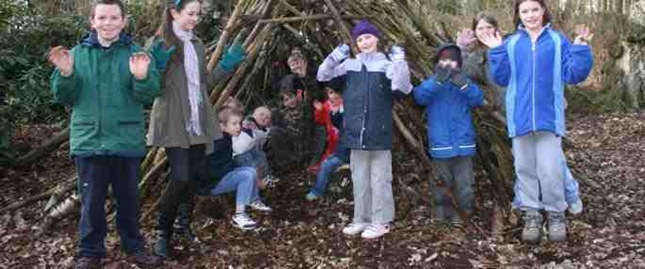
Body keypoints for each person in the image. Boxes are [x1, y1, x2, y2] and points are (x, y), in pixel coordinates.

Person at [48, 0, 162, 268]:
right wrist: (66, 73)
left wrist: (142, 77)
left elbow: (150, 94)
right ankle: (90, 251)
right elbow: (63, 96)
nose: (107, 23)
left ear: (124, 21)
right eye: (102, 18)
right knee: (92, 202)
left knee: (129, 200)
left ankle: (134, 246)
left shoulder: (137, 54)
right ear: (92, 21)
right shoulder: (76, 54)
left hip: (126, 140)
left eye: (113, 18)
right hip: (90, 141)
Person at [479, 0, 593, 243]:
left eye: (534, 10)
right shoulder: (511, 43)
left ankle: (555, 215)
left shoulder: (556, 40)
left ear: (543, 11)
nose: (530, 15)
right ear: (518, 15)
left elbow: (573, 74)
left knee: (551, 170)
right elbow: (500, 78)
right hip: (519, 119)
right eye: (525, 11)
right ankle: (531, 214)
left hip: (549, 118)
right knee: (524, 169)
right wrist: (496, 51)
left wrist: (581, 49)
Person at [458, 12, 584, 216]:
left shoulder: (513, 43)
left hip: (542, 107)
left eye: (488, 27)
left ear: (497, 28)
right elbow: (461, 75)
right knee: (523, 159)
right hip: (513, 114)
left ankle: (570, 195)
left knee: (553, 159)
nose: (484, 32)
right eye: (479, 28)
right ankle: (524, 199)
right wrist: (461, 49)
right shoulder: (479, 58)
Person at [146, 0, 245, 258]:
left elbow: (203, 83)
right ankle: (162, 232)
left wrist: (226, 65)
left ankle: (184, 225)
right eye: (190, 13)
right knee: (180, 177)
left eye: (198, 14)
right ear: (173, 12)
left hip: (199, 120)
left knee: (193, 177)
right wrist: (156, 67)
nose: (195, 19)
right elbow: (150, 89)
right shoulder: (158, 44)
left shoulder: (197, 45)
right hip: (173, 121)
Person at [317, 19, 413, 239]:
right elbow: (323, 76)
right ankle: (361, 218)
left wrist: (399, 60)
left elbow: (403, 88)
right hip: (354, 134)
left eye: (368, 37)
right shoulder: (349, 66)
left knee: (380, 179)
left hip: (378, 133)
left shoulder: (386, 64)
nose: (364, 42)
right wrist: (337, 54)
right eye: (359, 39)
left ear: (376, 39)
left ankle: (381, 221)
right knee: (359, 178)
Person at [412, 43, 484, 225]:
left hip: (464, 145)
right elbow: (420, 97)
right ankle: (440, 215)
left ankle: (462, 215)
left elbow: (477, 99)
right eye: (444, 60)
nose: (448, 64)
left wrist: (464, 83)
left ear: (459, 64)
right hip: (440, 145)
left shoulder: (464, 83)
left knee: (465, 185)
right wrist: (437, 80)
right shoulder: (433, 83)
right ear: (437, 63)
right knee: (440, 184)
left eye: (452, 60)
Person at [199, 107, 272, 230]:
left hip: (218, 178)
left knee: (250, 171)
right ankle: (239, 214)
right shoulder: (216, 142)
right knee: (247, 174)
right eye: (234, 124)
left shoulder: (225, 138)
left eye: (239, 123)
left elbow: (226, 163)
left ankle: (252, 200)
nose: (239, 127)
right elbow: (207, 167)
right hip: (209, 184)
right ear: (222, 125)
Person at [306, 86, 350, 200]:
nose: (334, 95)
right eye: (331, 92)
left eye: (337, 92)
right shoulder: (329, 106)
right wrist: (320, 110)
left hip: (346, 149)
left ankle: (317, 191)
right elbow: (323, 120)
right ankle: (323, 187)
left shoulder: (348, 107)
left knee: (327, 165)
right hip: (335, 144)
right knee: (325, 163)